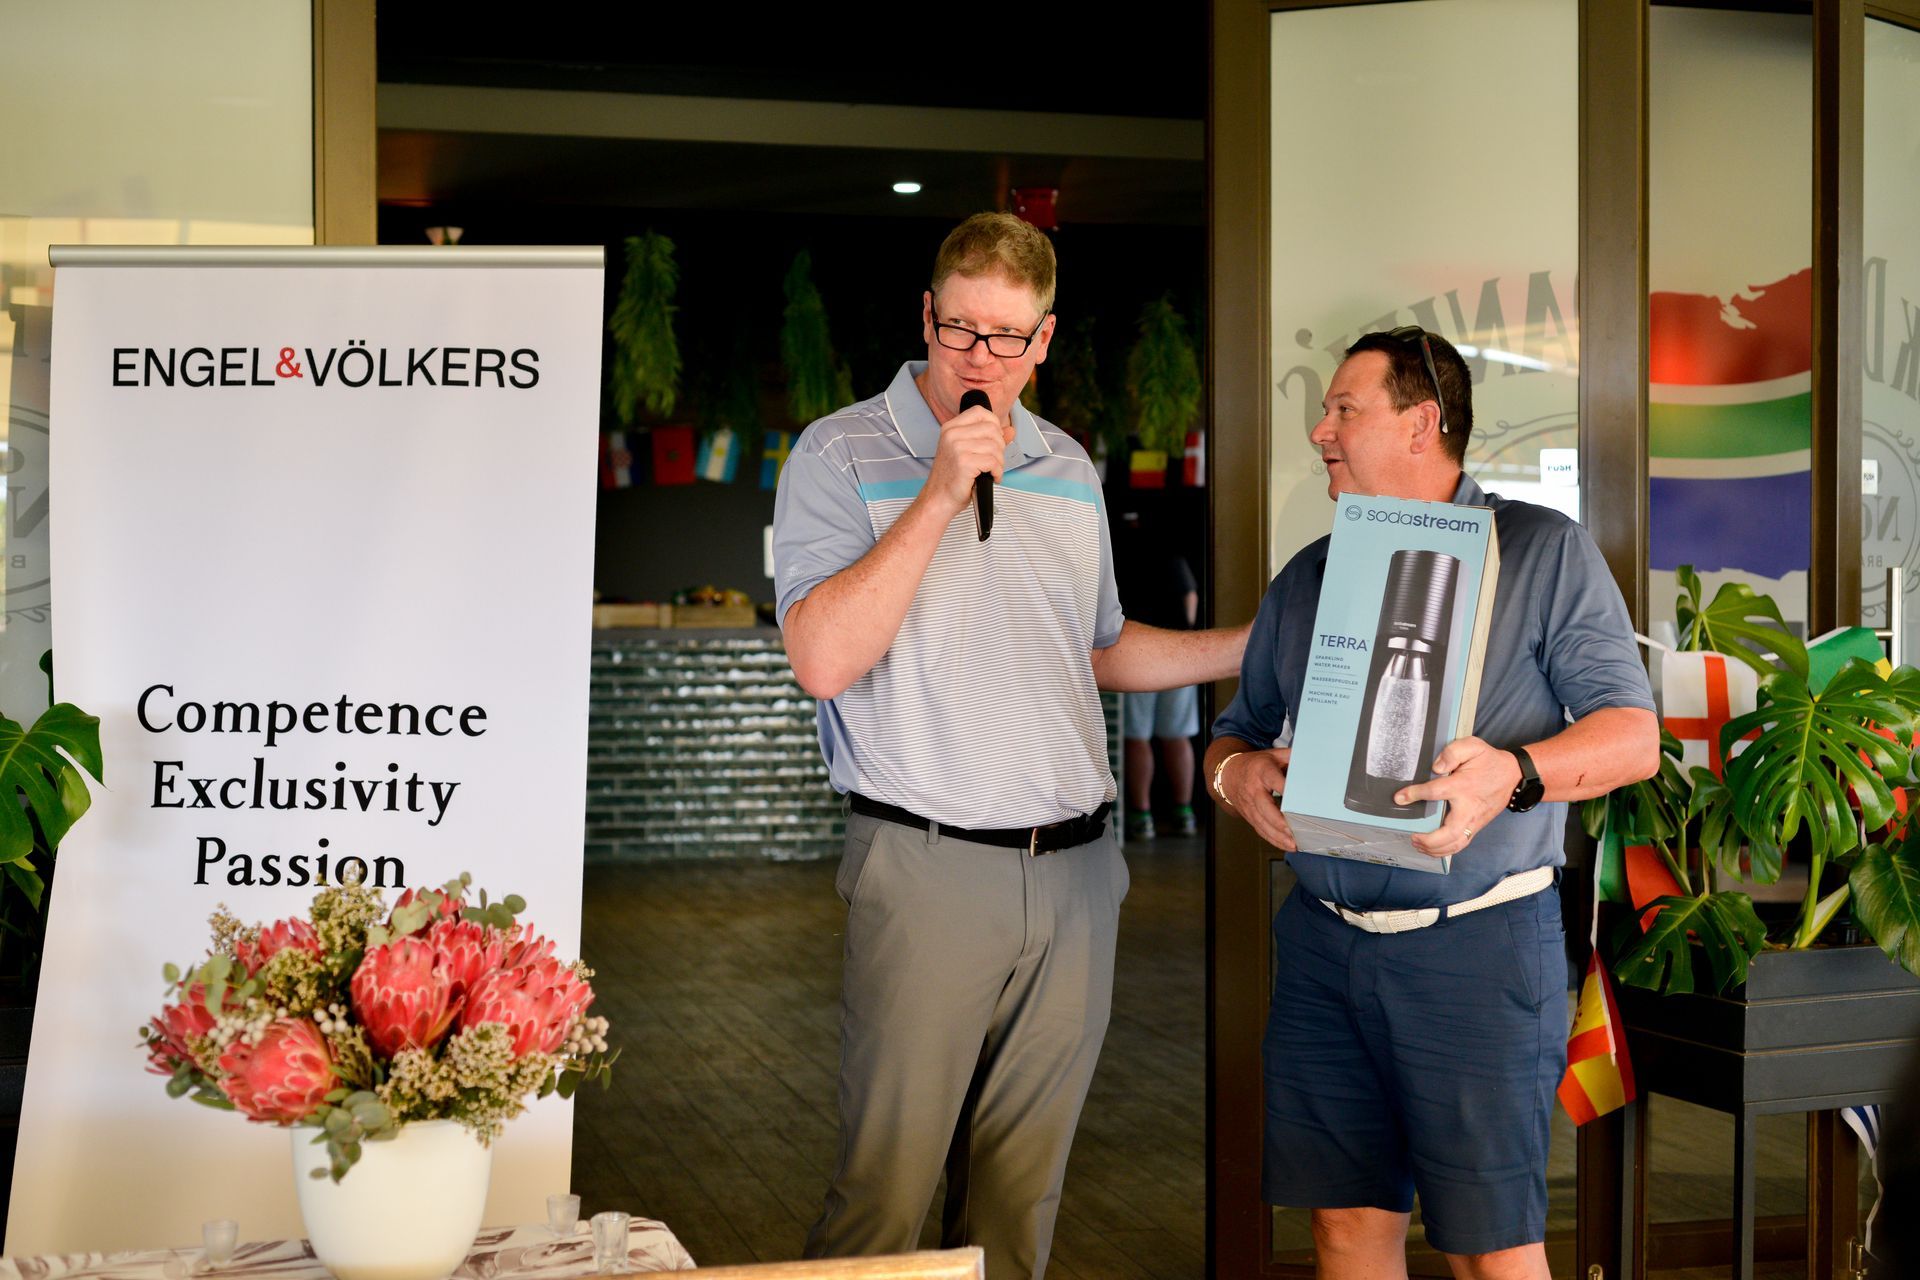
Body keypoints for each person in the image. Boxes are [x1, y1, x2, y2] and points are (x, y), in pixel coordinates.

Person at [772, 212, 1246, 1280]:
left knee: (1017, 1207)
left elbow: (1102, 648)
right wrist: (939, 493)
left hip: (1077, 876)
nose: (978, 358)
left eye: (1006, 337)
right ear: (925, 316)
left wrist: (1250, 647)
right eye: (959, 328)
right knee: (883, 1199)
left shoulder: (1068, 465)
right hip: (928, 867)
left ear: (1044, 341)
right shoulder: (839, 452)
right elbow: (822, 659)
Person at [1205, 327, 1659, 1280]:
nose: (1321, 431)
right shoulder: (1310, 575)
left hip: (1476, 948)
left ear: (1421, 424)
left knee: (1488, 1251)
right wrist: (1234, 777)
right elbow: (1235, 733)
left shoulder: (1542, 551)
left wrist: (1515, 772)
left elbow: (1631, 738)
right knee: (1342, 1228)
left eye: (1344, 409)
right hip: (1324, 946)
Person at [1114, 514, 1201, 838]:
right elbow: (1190, 595)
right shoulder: (1171, 554)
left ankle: (1142, 815)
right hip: (1178, 651)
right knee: (1177, 735)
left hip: (1134, 651)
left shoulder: (1118, 555)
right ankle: (1184, 812)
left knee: (1137, 737)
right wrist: (1185, 628)